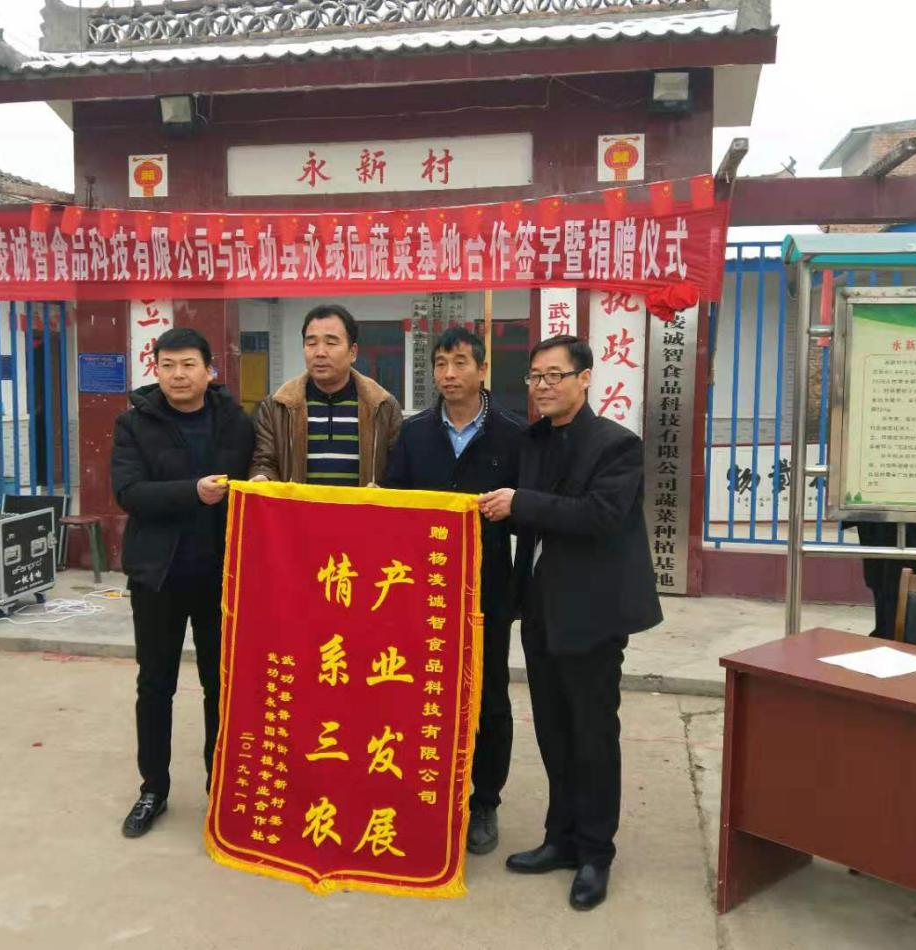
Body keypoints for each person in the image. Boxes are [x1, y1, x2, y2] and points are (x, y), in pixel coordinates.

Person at [478, 334, 662, 911]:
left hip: (592, 613)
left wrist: (520, 503)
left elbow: (600, 516)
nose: (543, 386)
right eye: (535, 376)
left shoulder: (617, 445)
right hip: (539, 610)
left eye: (554, 375)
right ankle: (559, 839)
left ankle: (595, 854)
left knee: (592, 734)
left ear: (585, 378)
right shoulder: (532, 441)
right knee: (553, 731)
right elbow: (517, 513)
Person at [383, 326, 525, 855]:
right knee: (421, 692)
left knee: (487, 696)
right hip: (421, 593)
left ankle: (484, 800)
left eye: (460, 362)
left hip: (488, 593)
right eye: (441, 363)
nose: (449, 373)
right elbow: (394, 505)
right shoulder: (414, 433)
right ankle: (426, 793)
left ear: (482, 370)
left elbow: (529, 514)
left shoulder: (513, 434)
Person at [111, 326, 255, 838]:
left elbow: (255, 479)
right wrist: (193, 491)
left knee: (221, 686)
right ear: (156, 369)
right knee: (156, 685)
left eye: (189, 364)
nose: (178, 375)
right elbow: (129, 492)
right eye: (167, 365)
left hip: (222, 578)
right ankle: (154, 788)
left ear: (210, 370)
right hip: (158, 577)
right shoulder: (134, 422)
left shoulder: (235, 422)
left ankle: (222, 787)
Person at [249, 303, 402, 486]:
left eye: (331, 343)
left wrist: (382, 491)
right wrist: (263, 477)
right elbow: (264, 462)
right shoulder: (277, 407)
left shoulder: (383, 406)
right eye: (311, 343)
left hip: (361, 506)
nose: (320, 353)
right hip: (298, 506)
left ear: (353, 352)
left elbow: (398, 473)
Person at [847, 520, 916, 637]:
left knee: (898, 584)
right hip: (873, 526)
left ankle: (898, 635)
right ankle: (883, 631)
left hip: (901, 526)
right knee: (877, 581)